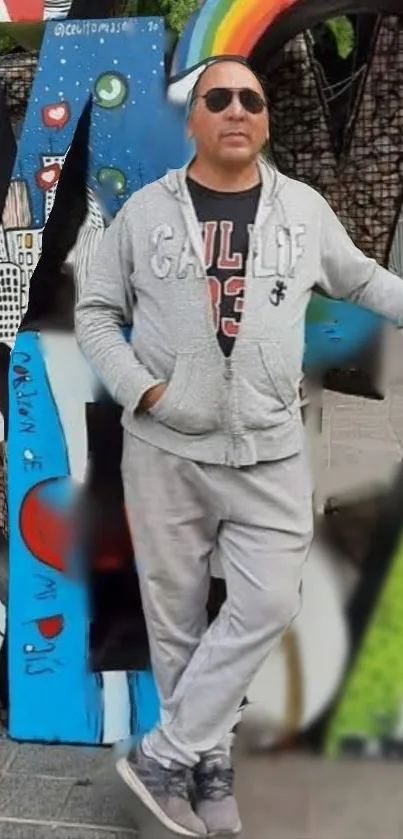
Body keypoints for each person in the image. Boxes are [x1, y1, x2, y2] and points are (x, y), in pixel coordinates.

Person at [75, 56, 403, 837]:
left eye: (248, 100)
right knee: (177, 618)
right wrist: (144, 389)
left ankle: (161, 754)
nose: (234, 110)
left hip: (268, 447)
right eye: (216, 97)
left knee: (266, 600)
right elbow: (94, 310)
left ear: (263, 120)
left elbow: (359, 279)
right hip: (164, 448)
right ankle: (205, 762)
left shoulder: (303, 208)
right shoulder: (145, 215)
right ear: (192, 119)